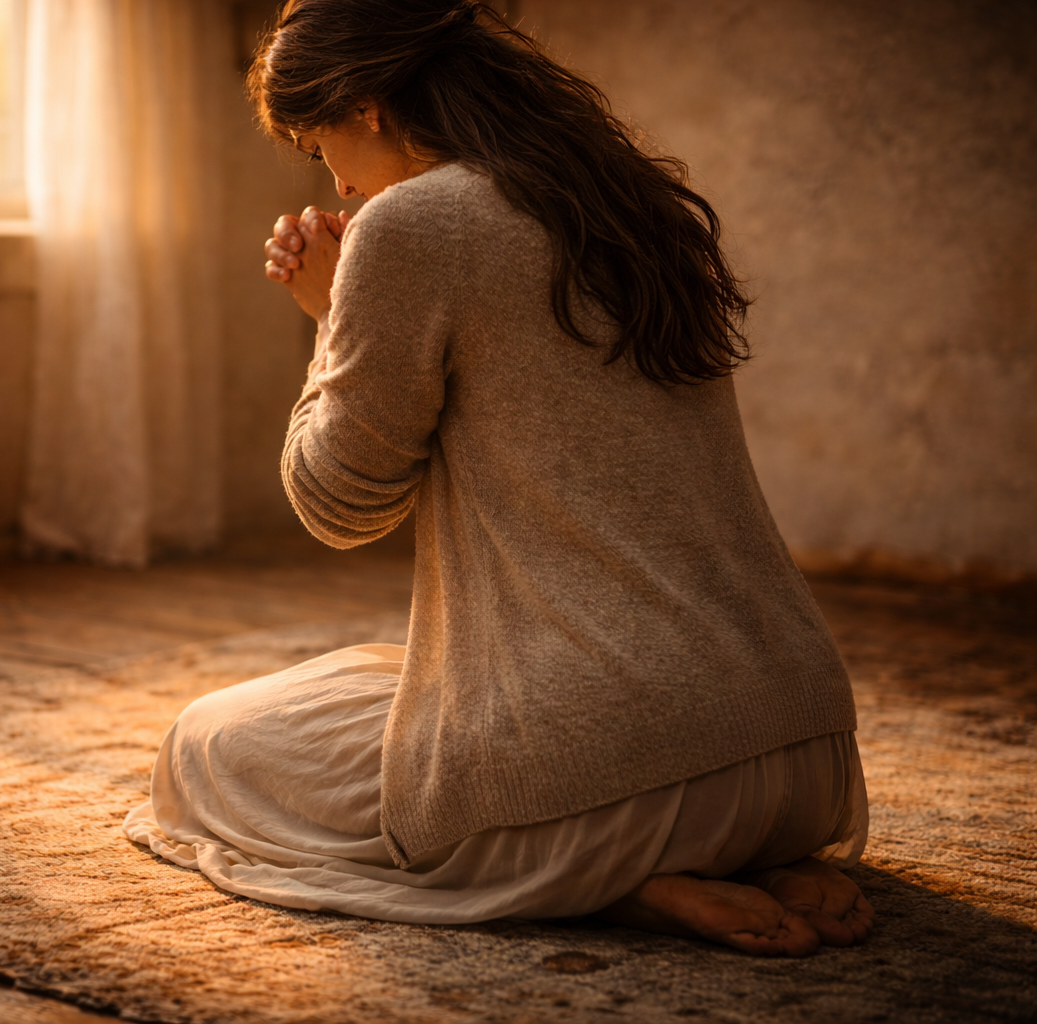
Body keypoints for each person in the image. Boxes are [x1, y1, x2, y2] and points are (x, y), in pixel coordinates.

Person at [123, 0, 874, 957]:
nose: (337, 181)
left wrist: (329, 321)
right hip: (800, 751)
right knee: (380, 683)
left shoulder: (411, 222)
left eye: (322, 148)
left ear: (369, 105)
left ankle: (613, 886)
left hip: (626, 778)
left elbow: (340, 504)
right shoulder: (629, 204)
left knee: (208, 744)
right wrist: (361, 308)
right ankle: (732, 855)